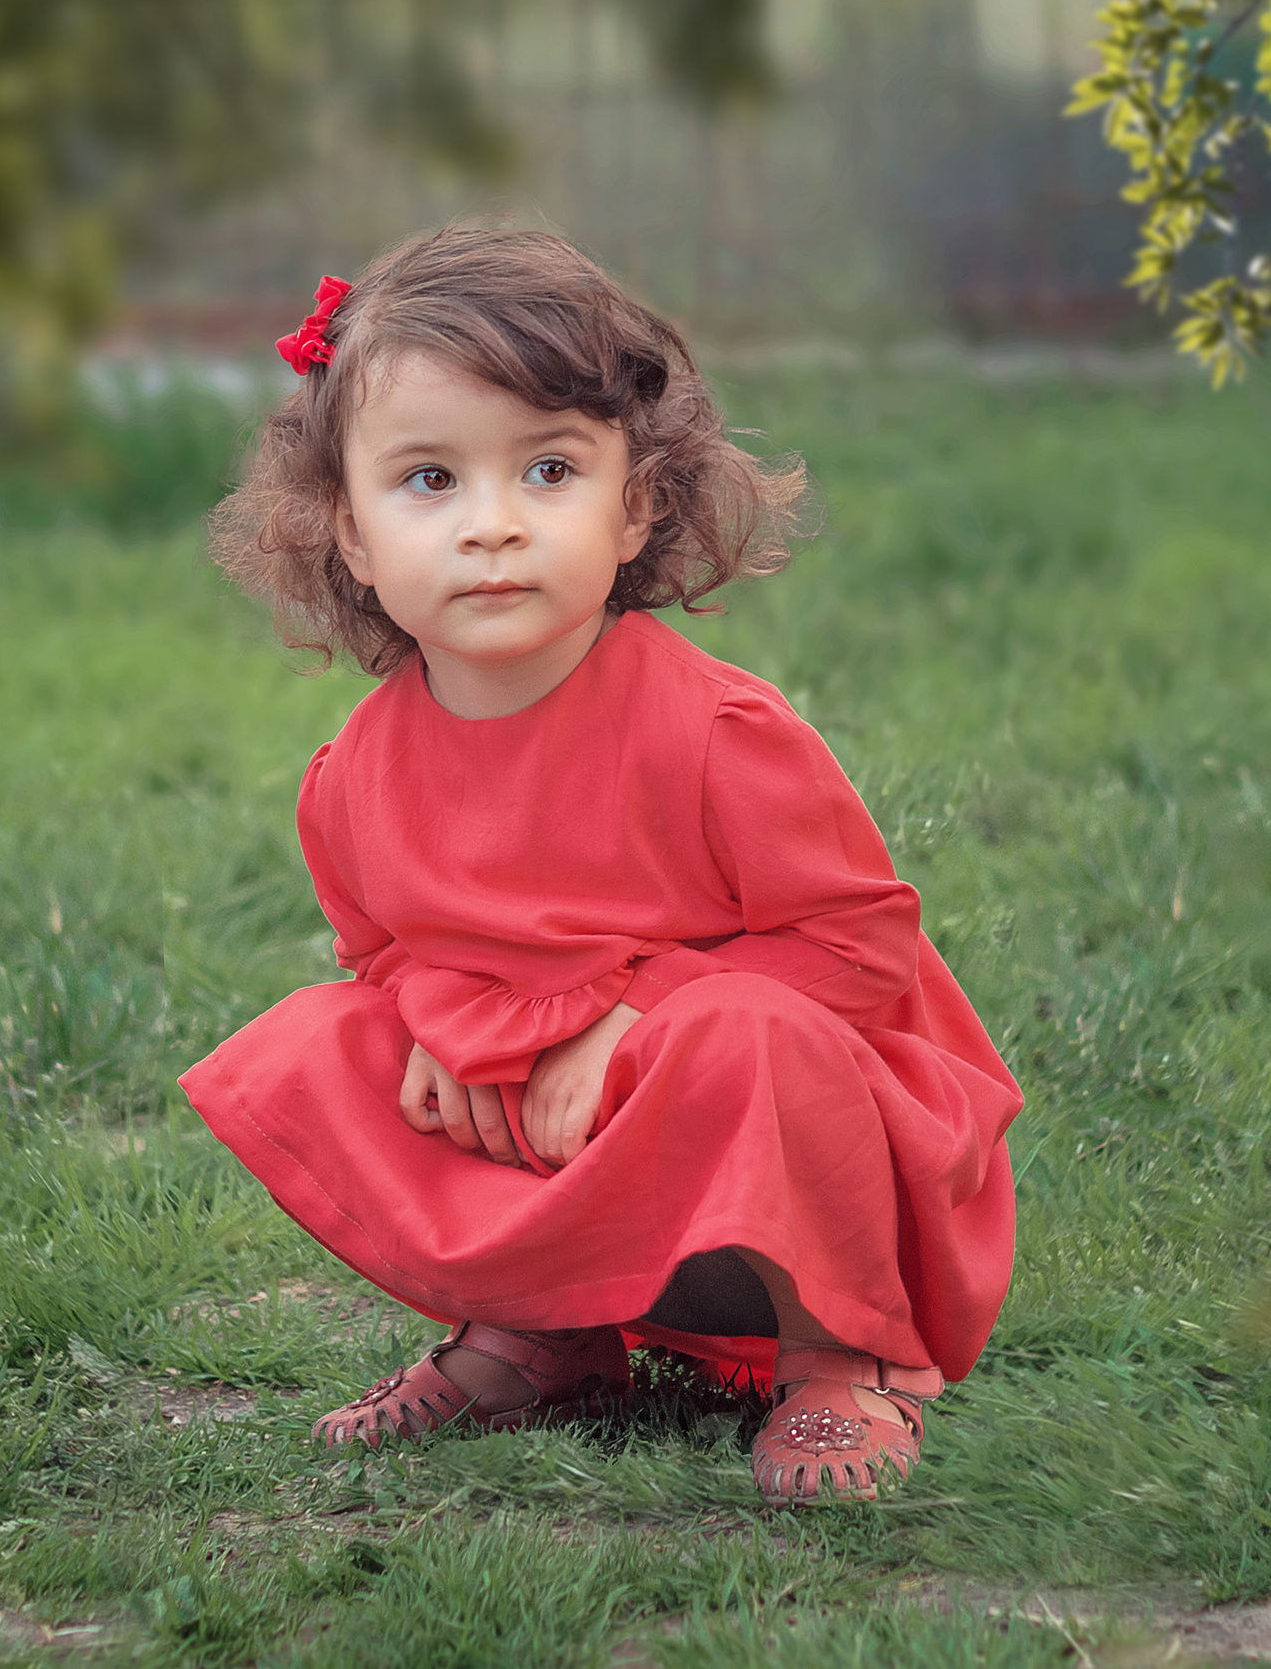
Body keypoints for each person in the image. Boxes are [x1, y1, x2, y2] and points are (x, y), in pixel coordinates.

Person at [184, 228, 1022, 1505]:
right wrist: (430, 1029)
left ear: (634, 508)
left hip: (788, 1154)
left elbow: (855, 949)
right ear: (347, 534)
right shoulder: (353, 777)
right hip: (554, 1126)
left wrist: (629, 1023)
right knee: (321, 1041)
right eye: (429, 482)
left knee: (747, 1030)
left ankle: (840, 1358)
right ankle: (543, 1332)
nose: (493, 527)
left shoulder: (716, 736)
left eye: (549, 469)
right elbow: (386, 948)